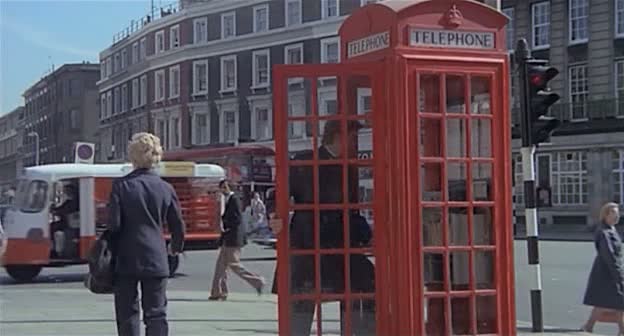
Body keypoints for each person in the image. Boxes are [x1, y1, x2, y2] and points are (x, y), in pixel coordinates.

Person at [269, 119, 375, 335]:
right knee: (302, 306)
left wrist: (366, 235)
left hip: (338, 247)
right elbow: (277, 193)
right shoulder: (304, 162)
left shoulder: (349, 168)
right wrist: (274, 217)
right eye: (353, 138)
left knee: (365, 285)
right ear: (339, 137)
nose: (356, 144)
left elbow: (351, 211)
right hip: (308, 243)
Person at [107, 132, 185, 336]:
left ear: (133, 157)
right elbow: (177, 225)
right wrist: (175, 247)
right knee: (156, 313)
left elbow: (114, 225)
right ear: (157, 157)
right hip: (156, 257)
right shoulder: (166, 188)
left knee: (128, 313)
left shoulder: (121, 186)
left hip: (126, 258)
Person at [209, 179, 265, 301]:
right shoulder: (228, 199)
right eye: (221, 187)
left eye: (224, 187)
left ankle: (257, 281)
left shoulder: (235, 200)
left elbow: (237, 219)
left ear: (229, 187)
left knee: (234, 265)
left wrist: (227, 225)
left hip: (233, 238)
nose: (222, 190)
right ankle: (218, 292)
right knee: (220, 266)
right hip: (228, 238)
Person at [582, 202, 623, 334]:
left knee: (606, 301)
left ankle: (589, 325)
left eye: (618, 214)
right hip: (606, 271)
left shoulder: (611, 229)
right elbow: (609, 255)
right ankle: (621, 330)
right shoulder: (604, 232)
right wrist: (618, 274)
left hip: (608, 269)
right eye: (614, 214)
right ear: (606, 215)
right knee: (617, 301)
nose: (618, 217)